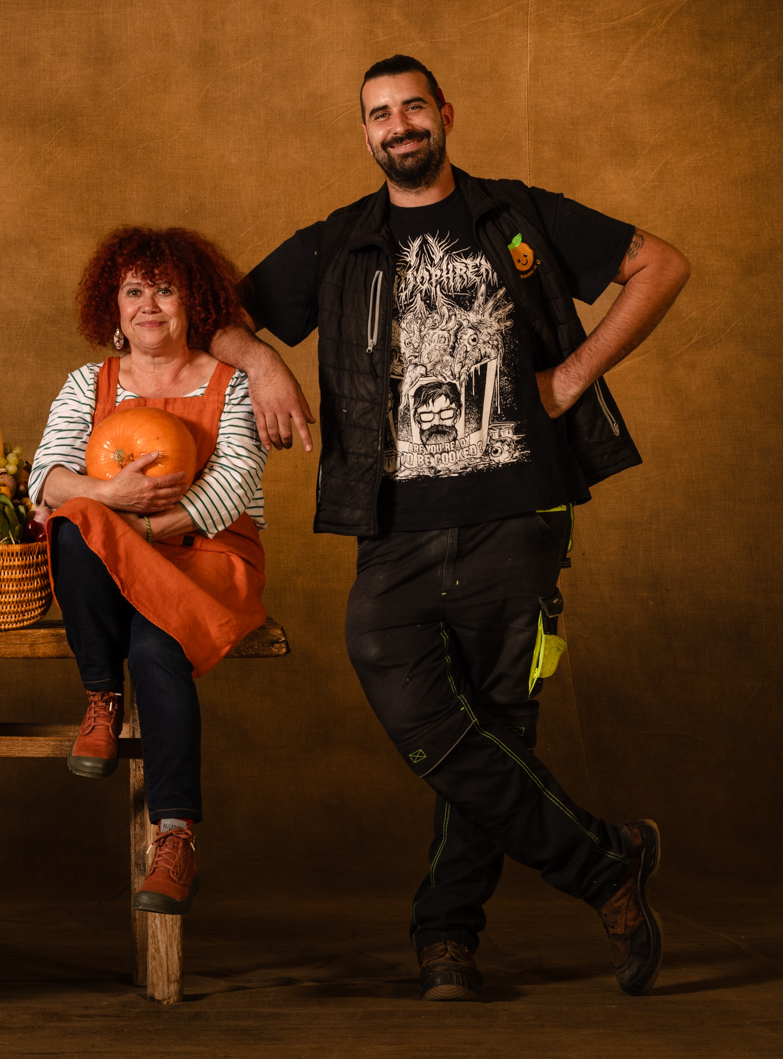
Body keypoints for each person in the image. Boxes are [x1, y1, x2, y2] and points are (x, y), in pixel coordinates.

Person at [206, 55, 691, 1000]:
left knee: (497, 723)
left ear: (446, 114)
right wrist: (261, 362)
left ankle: (446, 939)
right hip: (395, 524)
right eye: (379, 114)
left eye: (413, 107)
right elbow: (216, 315)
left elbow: (660, 264)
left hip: (520, 510)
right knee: (425, 697)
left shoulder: (520, 214)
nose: (398, 125)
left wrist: (573, 375)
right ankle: (607, 862)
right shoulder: (340, 241)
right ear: (365, 133)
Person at [29, 227, 271, 918]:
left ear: (194, 301)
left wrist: (139, 529)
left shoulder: (233, 383)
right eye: (134, 289)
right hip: (115, 548)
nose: (149, 304)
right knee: (74, 518)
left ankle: (175, 836)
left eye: (166, 289)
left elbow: (233, 483)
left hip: (207, 551)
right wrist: (110, 496)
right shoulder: (91, 383)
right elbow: (46, 476)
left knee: (157, 646)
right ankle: (101, 698)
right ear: (113, 305)